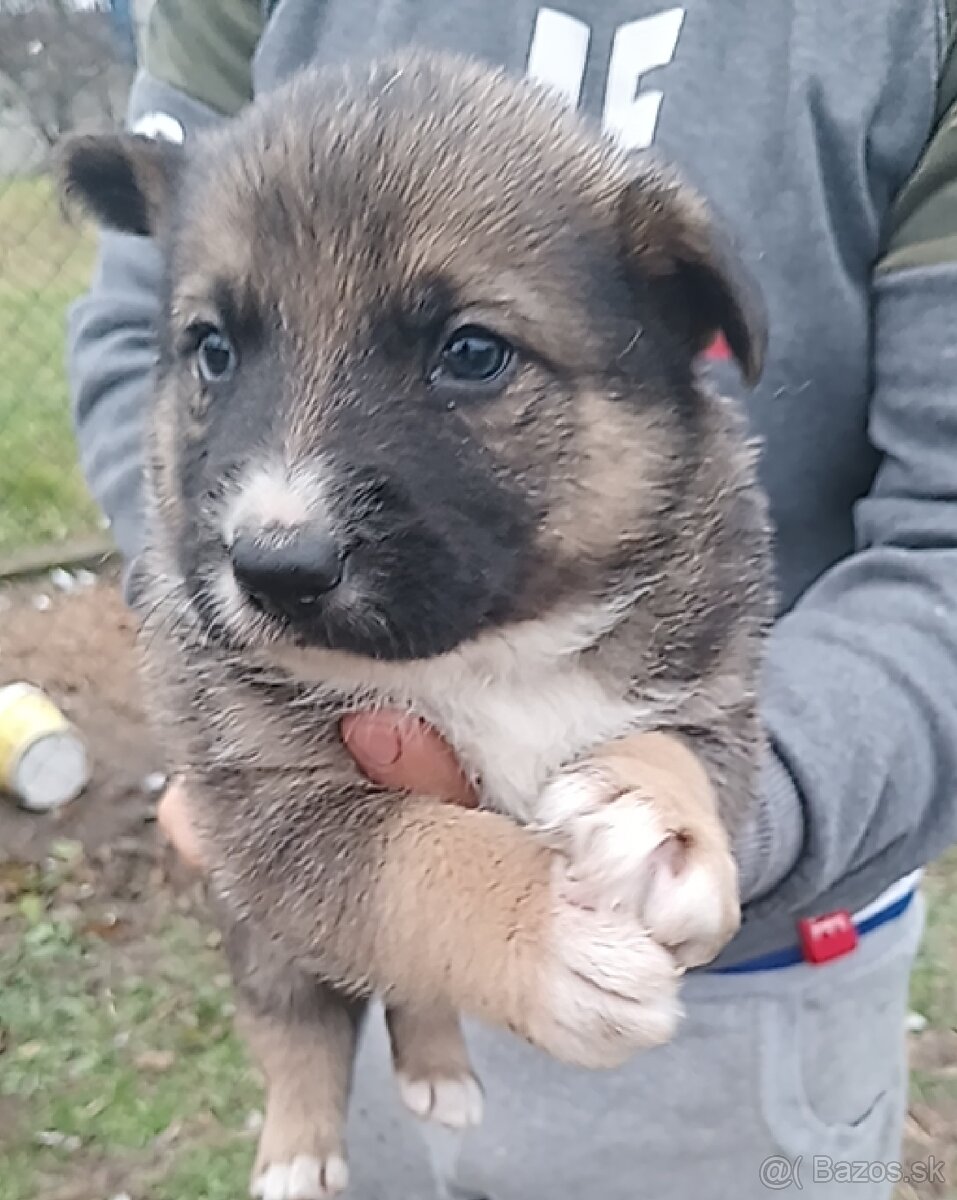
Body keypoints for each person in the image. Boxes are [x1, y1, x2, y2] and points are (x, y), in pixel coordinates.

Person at [67, 1, 957, 1197]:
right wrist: (500, 916)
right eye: (225, 353)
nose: (278, 520)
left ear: (693, 351)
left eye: (471, 355)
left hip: (767, 992)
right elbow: (143, 334)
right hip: (382, 1008)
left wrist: (703, 794)